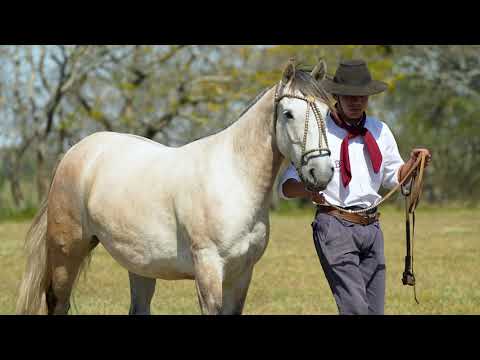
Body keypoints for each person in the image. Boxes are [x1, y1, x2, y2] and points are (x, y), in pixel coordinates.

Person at [278, 59, 432, 315]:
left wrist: (414, 165)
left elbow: (395, 178)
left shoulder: (380, 130)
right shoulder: (319, 130)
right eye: (349, 95)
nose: (355, 101)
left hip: (372, 228)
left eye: (361, 96)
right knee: (355, 309)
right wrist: (308, 191)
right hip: (334, 226)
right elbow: (286, 186)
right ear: (336, 95)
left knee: (374, 311)